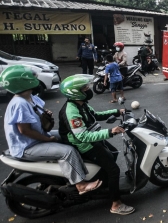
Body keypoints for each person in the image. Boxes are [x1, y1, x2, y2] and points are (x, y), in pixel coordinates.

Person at [1, 66, 101, 195]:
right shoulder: (19, 103)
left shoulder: (28, 97)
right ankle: (80, 184)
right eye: (32, 77)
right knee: (67, 152)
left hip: (36, 138)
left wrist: (45, 113)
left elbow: (36, 112)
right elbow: (25, 131)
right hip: (27, 146)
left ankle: (79, 168)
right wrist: (47, 139)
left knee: (69, 135)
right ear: (23, 82)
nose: (35, 78)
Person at [58, 75, 135, 215]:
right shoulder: (72, 111)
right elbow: (83, 136)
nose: (88, 89)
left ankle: (105, 185)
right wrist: (111, 131)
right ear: (75, 92)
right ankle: (116, 205)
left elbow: (96, 115)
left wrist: (117, 111)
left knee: (113, 153)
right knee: (114, 170)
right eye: (85, 88)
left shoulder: (81, 104)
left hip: (92, 140)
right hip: (84, 145)